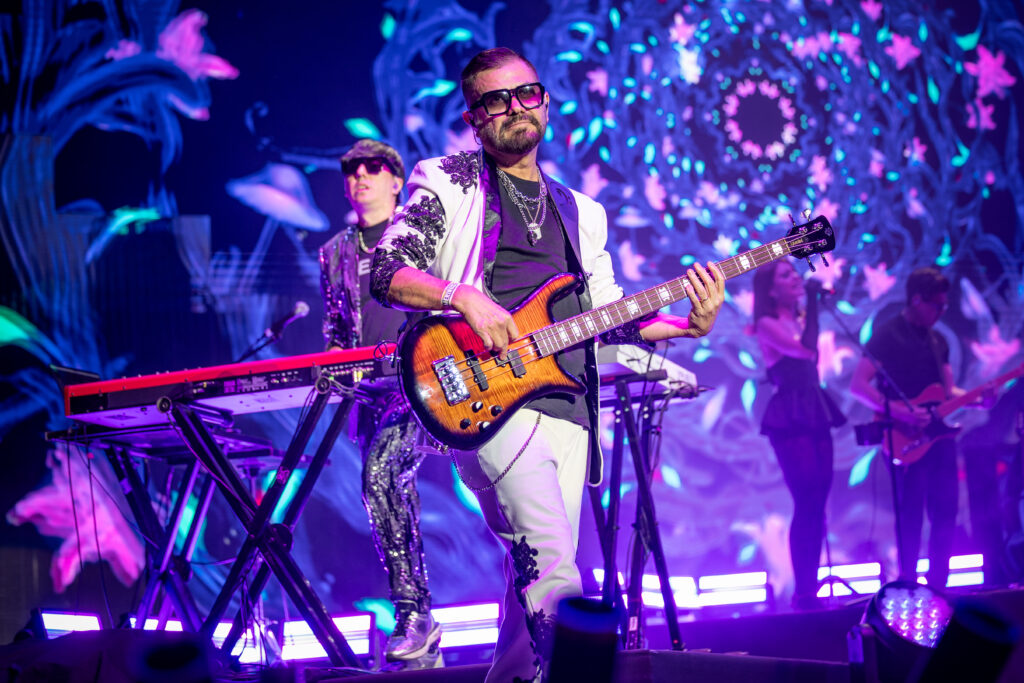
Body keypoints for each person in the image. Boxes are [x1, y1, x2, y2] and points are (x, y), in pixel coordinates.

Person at [369, 47, 726, 682]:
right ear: (475, 117)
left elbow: (611, 313)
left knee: (525, 593)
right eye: (495, 100)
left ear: (545, 101)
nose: (515, 109)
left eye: (526, 94)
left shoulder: (583, 212)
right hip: (487, 400)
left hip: (569, 407)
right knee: (557, 574)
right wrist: (464, 298)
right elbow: (387, 271)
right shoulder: (445, 179)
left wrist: (686, 325)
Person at [319, 139, 442, 669]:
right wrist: (332, 364)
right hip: (371, 397)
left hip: (427, 383)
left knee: (380, 477)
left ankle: (416, 611)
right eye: (351, 170)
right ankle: (418, 617)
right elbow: (336, 328)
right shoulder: (333, 253)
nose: (360, 176)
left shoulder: (416, 237)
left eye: (374, 168)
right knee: (386, 489)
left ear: (396, 181)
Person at [850, 267, 965, 589]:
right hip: (904, 437)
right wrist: (900, 411)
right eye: (935, 306)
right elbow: (859, 385)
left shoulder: (938, 339)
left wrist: (974, 399)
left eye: (944, 307)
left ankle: (940, 585)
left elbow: (948, 390)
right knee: (911, 515)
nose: (940, 312)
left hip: (939, 437)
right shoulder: (888, 335)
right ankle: (909, 583)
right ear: (916, 299)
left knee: (945, 512)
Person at [753, 260, 845, 610]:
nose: (795, 278)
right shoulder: (766, 323)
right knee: (806, 498)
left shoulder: (801, 320)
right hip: (790, 412)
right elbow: (804, 350)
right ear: (772, 289)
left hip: (814, 404)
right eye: (786, 275)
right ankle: (803, 592)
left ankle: (811, 586)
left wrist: (811, 306)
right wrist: (813, 300)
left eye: (795, 273)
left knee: (819, 500)